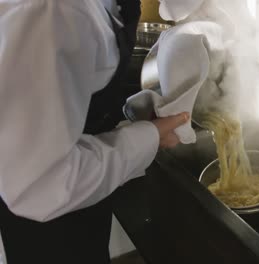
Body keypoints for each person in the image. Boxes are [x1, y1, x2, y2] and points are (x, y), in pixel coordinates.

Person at [0, 0, 188, 263]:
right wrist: (149, 137)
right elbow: (39, 186)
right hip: (50, 226)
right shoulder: (53, 13)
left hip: (82, 199)